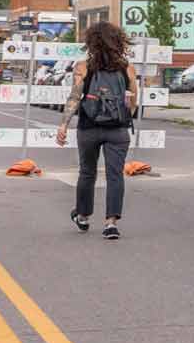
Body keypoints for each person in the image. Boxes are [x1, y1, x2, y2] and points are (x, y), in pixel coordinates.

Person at [55, 21, 138, 241]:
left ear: (91, 42)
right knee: (115, 175)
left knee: (87, 172)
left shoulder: (83, 67)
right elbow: (133, 104)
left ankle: (82, 215)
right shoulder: (127, 68)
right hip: (118, 130)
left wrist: (63, 124)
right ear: (118, 41)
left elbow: (74, 97)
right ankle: (111, 223)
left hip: (89, 128)